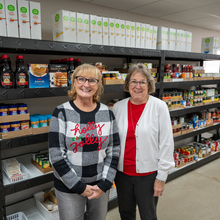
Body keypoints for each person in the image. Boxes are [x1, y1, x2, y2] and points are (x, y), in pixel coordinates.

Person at [49, 63, 120, 220]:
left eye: (92, 80)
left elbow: (113, 151)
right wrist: (79, 187)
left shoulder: (107, 112)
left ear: (98, 85)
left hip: (100, 186)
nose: (86, 84)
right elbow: (56, 155)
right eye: (81, 79)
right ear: (74, 82)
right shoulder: (61, 112)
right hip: (69, 187)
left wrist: (105, 184)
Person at [113, 63, 174, 220]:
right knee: (125, 214)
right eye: (133, 81)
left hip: (148, 176)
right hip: (122, 175)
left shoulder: (159, 107)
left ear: (149, 84)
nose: (137, 86)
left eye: (142, 82)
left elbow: (166, 143)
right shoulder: (118, 107)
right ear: (128, 84)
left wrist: (161, 178)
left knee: (148, 215)